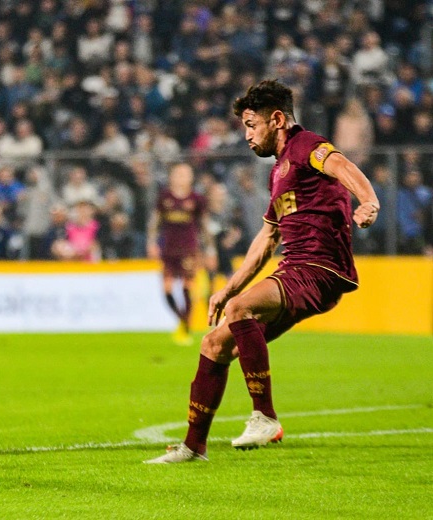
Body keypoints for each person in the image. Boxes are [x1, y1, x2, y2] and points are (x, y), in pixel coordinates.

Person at [145, 80, 379, 464]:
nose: (248, 135)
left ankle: (265, 417)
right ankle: (193, 446)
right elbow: (267, 238)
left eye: (252, 125)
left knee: (241, 309)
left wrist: (368, 201)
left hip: (318, 267)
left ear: (277, 119)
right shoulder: (278, 173)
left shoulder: (307, 146)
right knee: (214, 344)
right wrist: (227, 289)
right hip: (296, 270)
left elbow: (342, 165)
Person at [147, 162, 214, 346]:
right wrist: (151, 242)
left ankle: (185, 327)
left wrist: (210, 250)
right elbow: (155, 222)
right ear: (171, 177)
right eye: (178, 174)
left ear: (191, 178)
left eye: (185, 174)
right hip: (168, 249)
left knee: (187, 286)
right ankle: (182, 320)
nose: (181, 178)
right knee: (167, 289)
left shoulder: (197, 199)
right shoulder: (164, 198)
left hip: (188, 249)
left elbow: (205, 226)